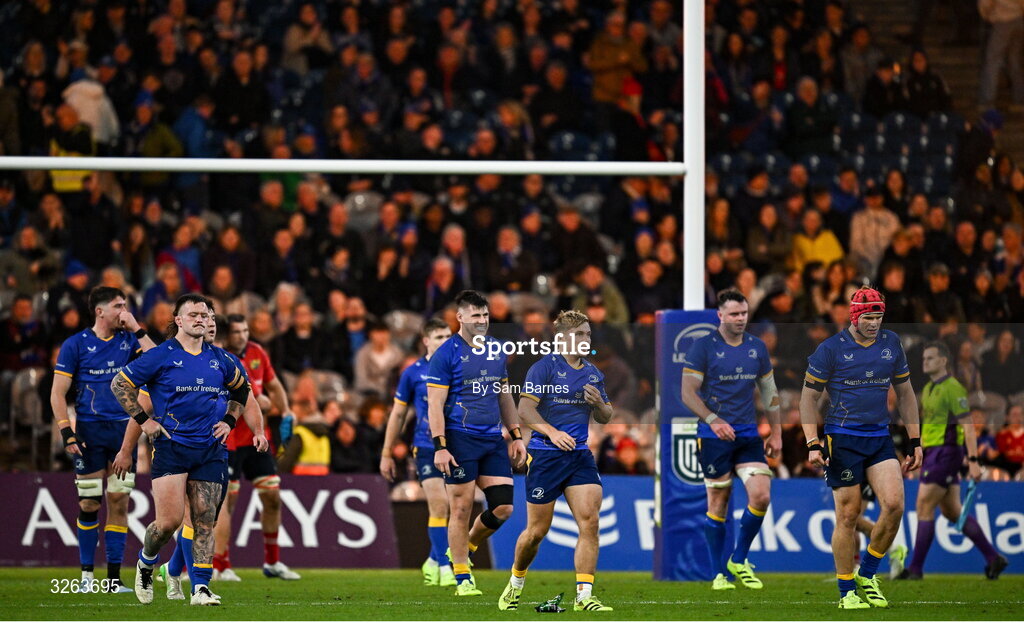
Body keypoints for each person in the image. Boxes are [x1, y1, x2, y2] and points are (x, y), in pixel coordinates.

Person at [110, 294, 267, 606]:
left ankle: (201, 589)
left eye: (205, 314)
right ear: (178, 321)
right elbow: (119, 385)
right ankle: (146, 559)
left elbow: (242, 392)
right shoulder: (160, 356)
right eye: (193, 314)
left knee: (205, 520)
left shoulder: (223, 360)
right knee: (168, 523)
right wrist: (145, 423)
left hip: (211, 450)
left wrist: (230, 420)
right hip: (172, 448)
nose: (201, 319)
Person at [800, 287, 923, 609]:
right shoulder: (830, 349)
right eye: (868, 317)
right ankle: (847, 593)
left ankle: (867, 574)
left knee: (895, 505)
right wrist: (812, 442)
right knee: (849, 515)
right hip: (842, 438)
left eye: (879, 317)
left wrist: (915, 440)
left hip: (879, 436)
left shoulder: (891, 343)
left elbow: (907, 394)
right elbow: (807, 398)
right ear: (854, 316)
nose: (874, 323)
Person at [497, 310, 615, 612]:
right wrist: (552, 432)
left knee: (590, 522)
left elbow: (606, 416)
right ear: (562, 338)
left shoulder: (592, 373)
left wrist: (599, 404)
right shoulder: (543, 368)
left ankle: (584, 597)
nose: (586, 339)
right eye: (580, 334)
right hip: (547, 455)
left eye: (588, 334)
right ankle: (516, 581)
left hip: (579, 456)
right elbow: (524, 410)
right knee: (536, 532)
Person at [50, 286, 156, 592]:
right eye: (118, 306)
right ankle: (86, 577)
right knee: (89, 502)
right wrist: (66, 431)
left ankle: (112, 580)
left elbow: (161, 361)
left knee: (119, 500)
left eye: (125, 305)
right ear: (100, 311)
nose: (124, 311)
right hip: (89, 433)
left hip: (124, 432)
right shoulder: (75, 345)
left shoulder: (129, 341)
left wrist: (137, 329)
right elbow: (57, 392)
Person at [426, 290, 527, 596]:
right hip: (459, 439)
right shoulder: (446, 354)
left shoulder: (497, 349)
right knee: (460, 507)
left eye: (485, 315)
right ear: (459, 318)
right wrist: (440, 446)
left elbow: (503, 395)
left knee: (504, 508)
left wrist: (516, 435)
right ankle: (462, 578)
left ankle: (465, 546)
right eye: (476, 316)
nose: (482, 321)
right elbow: (434, 405)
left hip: (492, 438)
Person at [680, 289, 782, 591]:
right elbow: (687, 392)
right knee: (719, 502)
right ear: (720, 315)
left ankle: (739, 558)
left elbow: (769, 391)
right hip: (713, 436)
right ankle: (717, 574)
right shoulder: (703, 347)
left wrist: (776, 432)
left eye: (744, 313)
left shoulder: (757, 347)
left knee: (761, 495)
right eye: (735, 314)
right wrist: (713, 420)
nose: (740, 319)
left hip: (748, 434)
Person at [898, 342, 1008, 580]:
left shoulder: (953, 388)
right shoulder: (928, 389)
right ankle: (994, 558)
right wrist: (916, 451)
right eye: (924, 358)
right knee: (952, 511)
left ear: (943, 361)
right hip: (932, 454)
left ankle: (915, 569)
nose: (924, 361)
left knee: (924, 506)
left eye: (930, 358)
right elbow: (930, 427)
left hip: (947, 453)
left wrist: (974, 460)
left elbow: (968, 427)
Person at [209, 314, 299, 582]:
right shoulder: (219, 359)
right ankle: (221, 564)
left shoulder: (258, 353)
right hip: (230, 439)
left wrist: (286, 412)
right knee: (227, 503)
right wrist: (259, 401)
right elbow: (250, 397)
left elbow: (274, 385)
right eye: (237, 332)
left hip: (257, 439)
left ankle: (273, 561)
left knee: (272, 497)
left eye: (246, 330)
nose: (243, 336)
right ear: (227, 336)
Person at [379, 318, 454, 587]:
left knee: (458, 508)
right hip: (426, 445)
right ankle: (446, 566)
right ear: (426, 340)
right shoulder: (413, 373)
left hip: (458, 445)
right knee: (439, 504)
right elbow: (398, 413)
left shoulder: (460, 369)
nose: (445, 342)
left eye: (448, 337)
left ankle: (433, 559)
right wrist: (387, 452)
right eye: (439, 338)